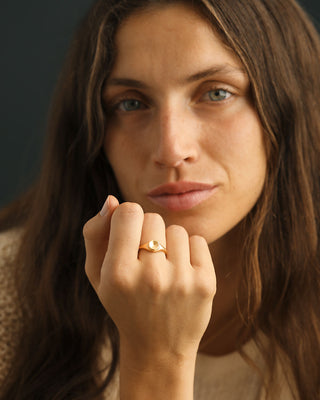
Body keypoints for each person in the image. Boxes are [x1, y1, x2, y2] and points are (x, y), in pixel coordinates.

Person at [0, 0, 320, 399]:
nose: (170, 149)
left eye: (216, 93)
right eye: (131, 103)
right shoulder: (9, 297)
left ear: (289, 107)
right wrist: (156, 359)